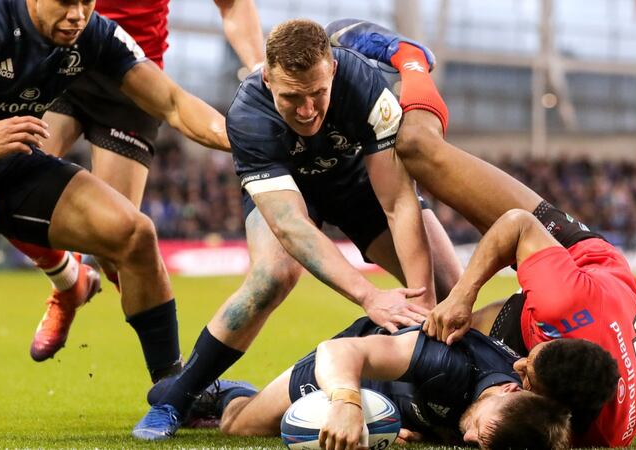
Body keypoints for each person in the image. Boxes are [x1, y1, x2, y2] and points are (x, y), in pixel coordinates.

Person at [326, 19, 636, 447]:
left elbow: (514, 419)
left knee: (441, 336)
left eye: (529, 376)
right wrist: (466, 294)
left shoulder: (595, 433)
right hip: (575, 257)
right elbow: (517, 225)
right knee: (417, 149)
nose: (518, 370)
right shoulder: (560, 301)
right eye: (529, 366)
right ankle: (411, 59)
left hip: (579, 319)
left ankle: (379, 391)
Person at [132, 18, 463, 440]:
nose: (307, 111)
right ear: (268, 78)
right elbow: (291, 225)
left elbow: (398, 203)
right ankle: (176, 398)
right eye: (292, 97)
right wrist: (369, 295)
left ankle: (433, 399)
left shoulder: (365, 85)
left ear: (334, 72)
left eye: (317, 94)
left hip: (356, 184)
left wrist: (420, 311)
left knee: (447, 287)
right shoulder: (249, 114)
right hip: (289, 189)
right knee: (273, 276)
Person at [0, 0, 229, 382]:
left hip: (11, 164)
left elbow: (172, 103)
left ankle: (175, 391)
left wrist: (244, 139)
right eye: (66, 2)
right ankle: (65, 278)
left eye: (86, 2)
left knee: (133, 232)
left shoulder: (95, 34)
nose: (77, 14)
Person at [9, 0, 264, 363]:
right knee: (10, 183)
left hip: (131, 79)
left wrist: (258, 72)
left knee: (115, 242)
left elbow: (234, 5)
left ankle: (177, 382)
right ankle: (68, 282)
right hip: (63, 59)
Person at [148, 317, 576, 450]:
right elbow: (340, 354)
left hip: (388, 400)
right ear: (507, 391)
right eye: (478, 430)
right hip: (350, 366)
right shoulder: (452, 364)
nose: (467, 438)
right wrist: (347, 402)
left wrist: (420, 429)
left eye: (477, 445)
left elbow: (461, 424)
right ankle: (218, 393)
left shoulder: (508, 424)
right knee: (238, 427)